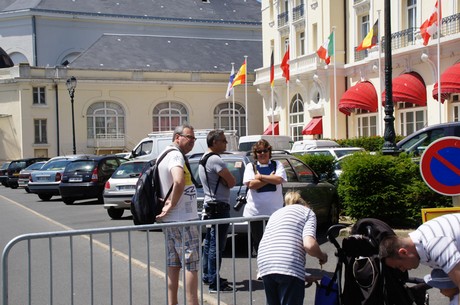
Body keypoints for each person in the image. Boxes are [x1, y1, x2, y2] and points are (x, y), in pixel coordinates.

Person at [257, 191, 328, 305]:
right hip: (287, 264)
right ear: (306, 204)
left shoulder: (276, 213)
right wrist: (322, 255)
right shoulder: (307, 213)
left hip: (265, 264)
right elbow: (309, 245)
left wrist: (302, 276)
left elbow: (279, 249)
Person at [156, 123, 200, 305]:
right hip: (183, 218)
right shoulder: (175, 155)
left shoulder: (163, 155)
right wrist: (171, 205)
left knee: (173, 265)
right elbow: (179, 180)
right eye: (189, 137)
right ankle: (192, 302)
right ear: (177, 137)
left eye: (194, 138)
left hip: (173, 220)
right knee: (191, 265)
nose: (192, 141)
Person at [379, 213, 460, 299]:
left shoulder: (434, 244)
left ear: (403, 252)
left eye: (400, 266)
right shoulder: (420, 245)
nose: (402, 270)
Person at [199, 130, 236, 293]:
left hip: (210, 205)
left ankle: (208, 276)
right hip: (219, 206)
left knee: (209, 243)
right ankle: (215, 282)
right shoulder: (215, 159)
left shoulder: (203, 158)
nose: (225, 143)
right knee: (216, 245)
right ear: (214, 142)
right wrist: (227, 179)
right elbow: (232, 181)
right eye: (223, 141)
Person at [242, 139, 287, 257]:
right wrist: (269, 179)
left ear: (269, 151)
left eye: (265, 150)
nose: (262, 153)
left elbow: (279, 180)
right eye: (259, 151)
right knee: (259, 245)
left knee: (275, 244)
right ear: (255, 154)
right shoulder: (250, 167)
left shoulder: (277, 164)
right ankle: (261, 272)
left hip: (275, 213)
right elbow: (251, 185)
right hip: (256, 214)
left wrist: (260, 177)